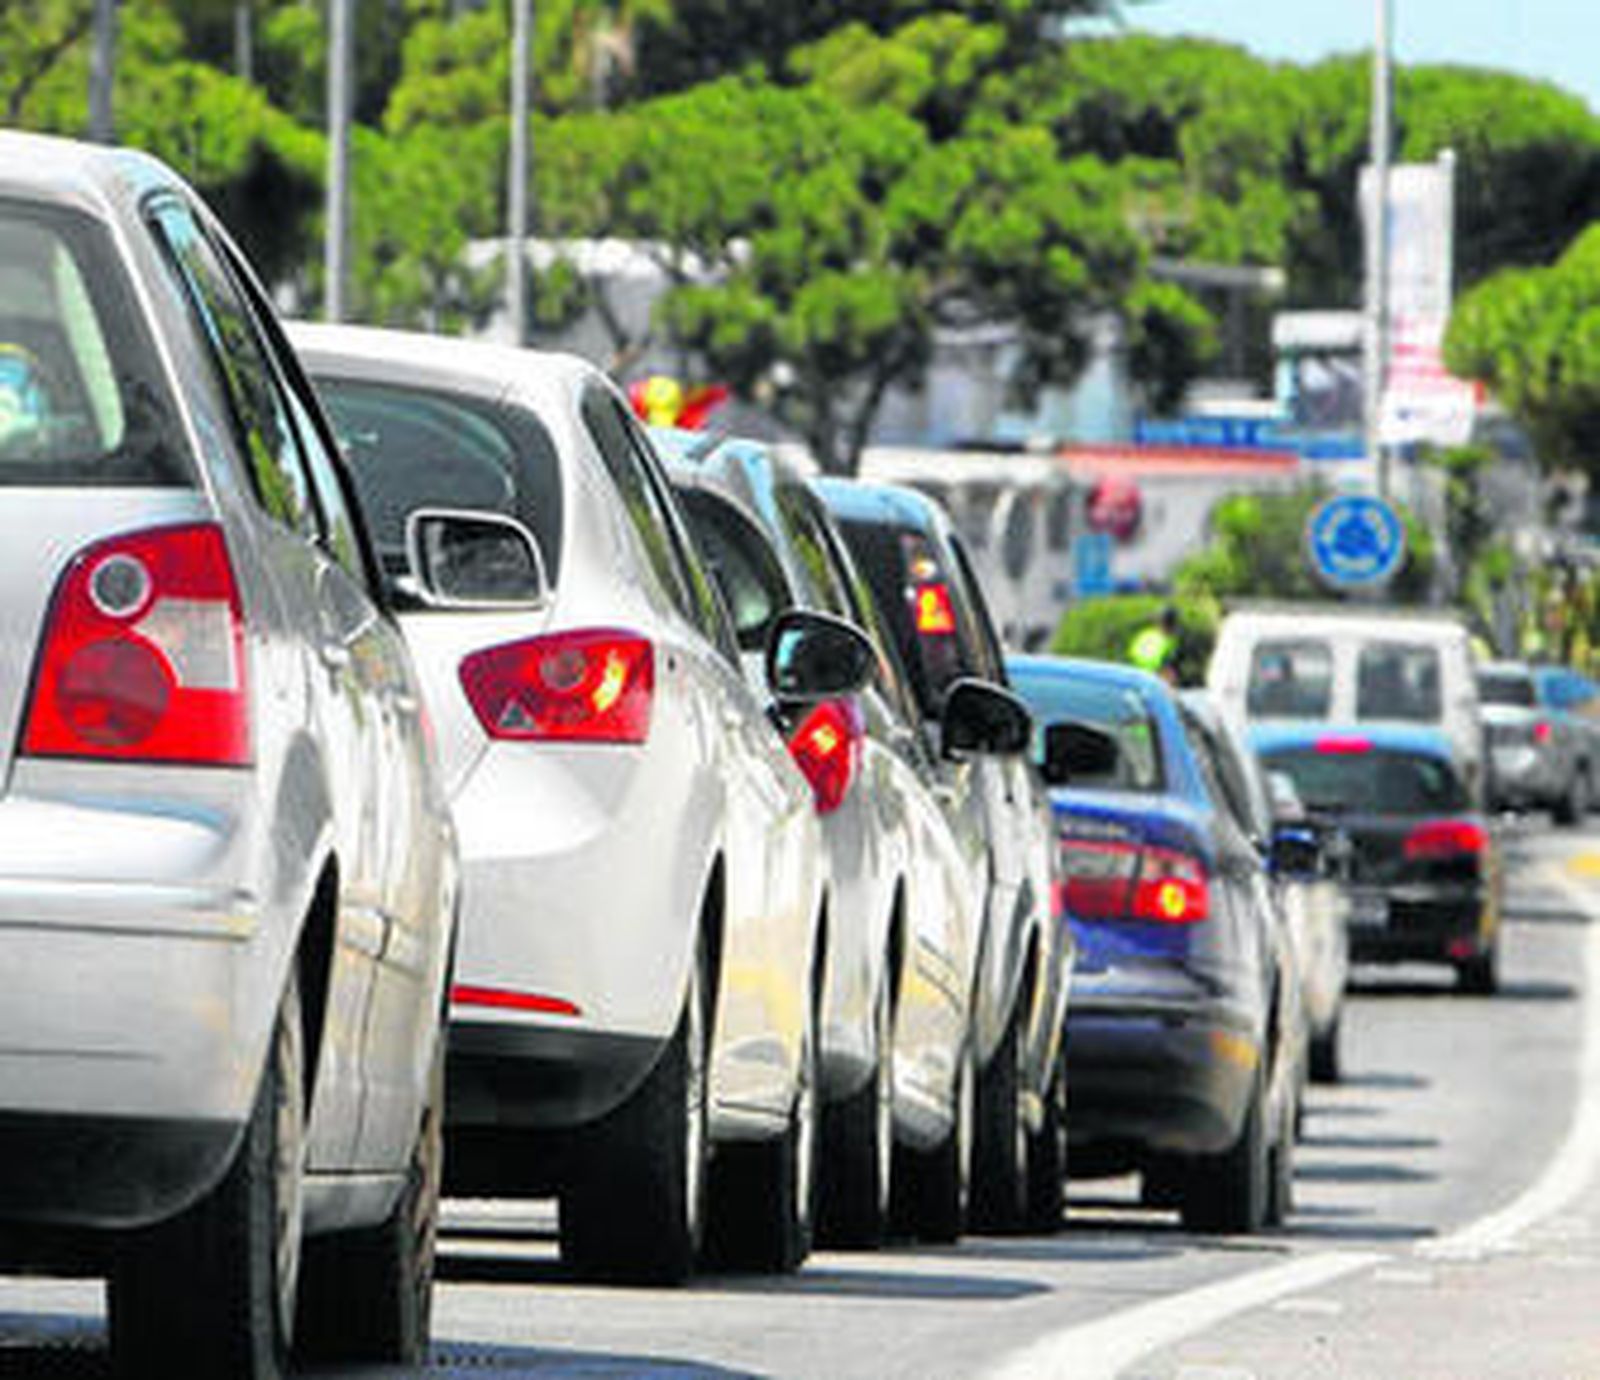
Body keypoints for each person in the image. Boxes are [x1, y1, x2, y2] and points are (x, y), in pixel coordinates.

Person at [1128, 605, 1182, 684]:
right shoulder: (1170, 643)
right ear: (1173, 624)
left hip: (1136, 677)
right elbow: (1168, 672)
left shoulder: (1144, 635)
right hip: (1154, 681)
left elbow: (1132, 655)